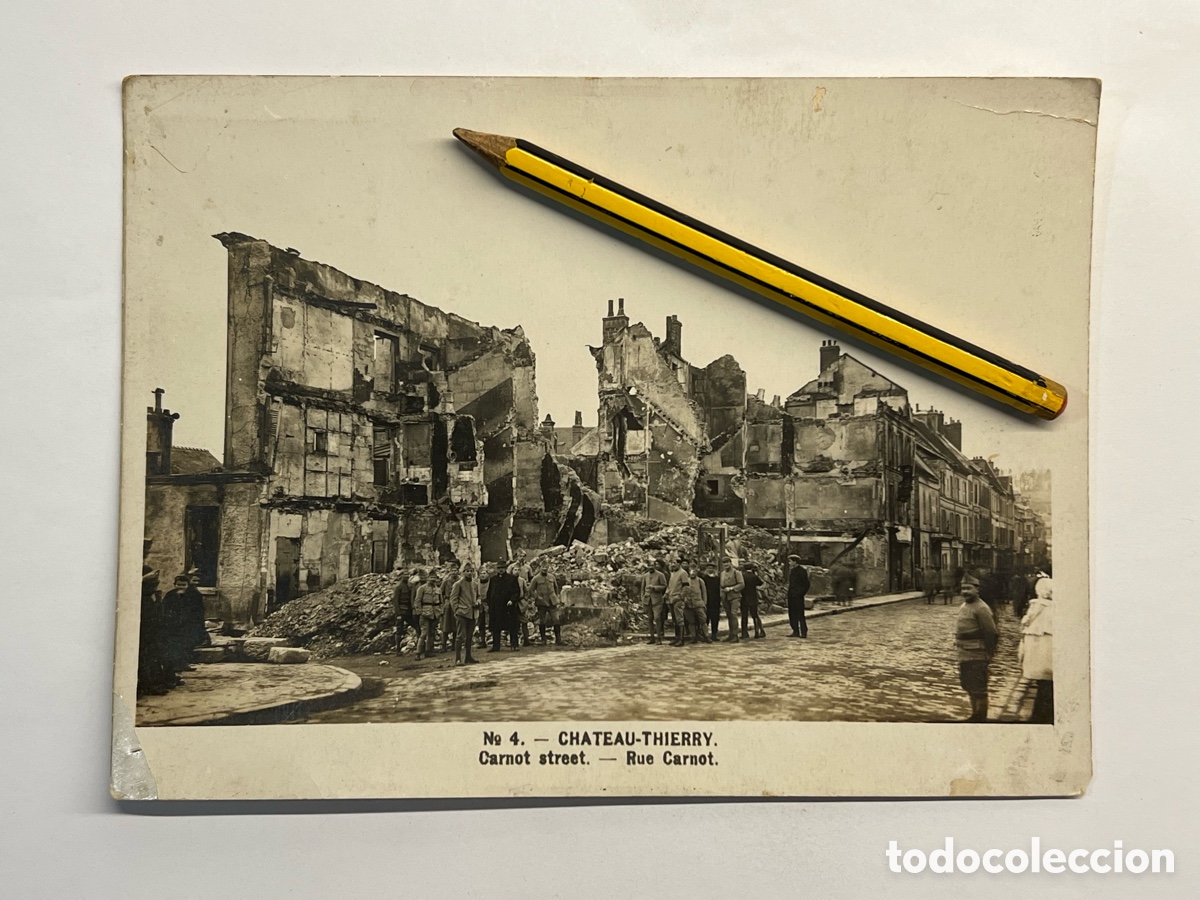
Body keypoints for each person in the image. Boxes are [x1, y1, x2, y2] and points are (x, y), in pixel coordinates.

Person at [955, 573, 999, 722]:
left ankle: (980, 718)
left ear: (977, 589)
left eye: (969, 588)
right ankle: (974, 715)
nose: (965, 591)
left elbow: (991, 632)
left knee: (979, 689)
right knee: (969, 685)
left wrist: (988, 654)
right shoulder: (965, 605)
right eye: (963, 588)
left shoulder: (981, 608)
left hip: (977, 654)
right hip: (964, 653)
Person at [1020, 577, 1054, 724]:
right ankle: (1042, 715)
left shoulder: (1035, 606)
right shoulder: (1051, 608)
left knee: (1043, 685)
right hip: (1047, 653)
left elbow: (1026, 625)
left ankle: (1039, 714)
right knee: (1047, 685)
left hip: (1037, 651)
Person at [137, 565, 176, 696]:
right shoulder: (140, 600)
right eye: (151, 585)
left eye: (155, 585)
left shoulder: (150, 598)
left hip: (153, 633)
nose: (154, 588)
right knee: (146, 660)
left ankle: (154, 684)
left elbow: (158, 615)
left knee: (153, 659)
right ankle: (148, 685)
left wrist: (158, 602)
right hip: (144, 634)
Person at [486, 560, 522, 652]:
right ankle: (496, 646)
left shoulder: (512, 578)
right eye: (499, 568)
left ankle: (514, 645)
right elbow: (490, 593)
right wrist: (489, 604)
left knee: (512, 626)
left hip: (508, 607)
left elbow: (516, 592)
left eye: (502, 568)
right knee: (496, 627)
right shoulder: (493, 579)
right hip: (496, 608)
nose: (501, 570)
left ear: (505, 568)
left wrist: (512, 600)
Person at [448, 562, 480, 666]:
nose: (469, 573)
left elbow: (478, 596)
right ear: (463, 572)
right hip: (462, 613)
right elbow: (453, 599)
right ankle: (458, 659)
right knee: (460, 636)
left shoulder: (475, 584)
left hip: (472, 613)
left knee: (470, 636)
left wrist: (478, 602)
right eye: (467, 571)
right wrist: (457, 611)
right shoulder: (458, 584)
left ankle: (468, 657)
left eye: (471, 571)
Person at [529, 562, 562, 645]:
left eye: (546, 567)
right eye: (543, 567)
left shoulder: (552, 577)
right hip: (542, 603)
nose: (545, 569)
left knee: (556, 620)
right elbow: (531, 590)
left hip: (552, 603)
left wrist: (556, 598)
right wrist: (537, 597)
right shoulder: (536, 578)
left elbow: (556, 588)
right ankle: (543, 640)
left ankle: (558, 639)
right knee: (542, 621)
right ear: (540, 567)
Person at [413, 569, 442, 660]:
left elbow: (441, 601)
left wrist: (441, 611)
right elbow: (417, 601)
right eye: (431, 577)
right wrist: (419, 612)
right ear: (427, 578)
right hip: (425, 612)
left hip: (435, 612)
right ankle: (418, 652)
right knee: (424, 633)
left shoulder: (438, 589)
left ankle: (429, 651)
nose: (432, 579)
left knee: (432, 633)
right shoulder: (422, 588)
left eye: (434, 577)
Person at [681, 562, 712, 645]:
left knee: (703, 620)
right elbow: (682, 591)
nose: (692, 573)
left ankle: (706, 636)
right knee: (691, 621)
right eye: (691, 571)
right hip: (688, 604)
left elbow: (704, 592)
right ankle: (693, 636)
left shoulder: (700, 581)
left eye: (694, 571)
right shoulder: (685, 580)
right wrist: (684, 599)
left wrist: (704, 602)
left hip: (699, 603)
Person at [391, 566, 419, 653]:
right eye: (404, 575)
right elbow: (395, 601)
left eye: (407, 574)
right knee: (399, 631)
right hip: (401, 611)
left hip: (408, 611)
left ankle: (419, 646)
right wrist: (398, 614)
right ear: (401, 576)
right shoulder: (398, 587)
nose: (406, 576)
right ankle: (398, 649)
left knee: (417, 627)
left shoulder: (410, 586)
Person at [642, 559, 669, 644]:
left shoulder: (660, 575)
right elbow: (642, 588)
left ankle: (659, 637)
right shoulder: (645, 576)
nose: (650, 567)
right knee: (649, 618)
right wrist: (642, 597)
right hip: (647, 600)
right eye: (649, 566)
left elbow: (664, 586)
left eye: (652, 565)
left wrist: (655, 587)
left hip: (657, 600)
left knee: (657, 618)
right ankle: (652, 637)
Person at [718, 557, 744, 643]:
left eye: (727, 562)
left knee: (733, 615)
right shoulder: (722, 573)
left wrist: (731, 588)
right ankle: (731, 634)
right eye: (724, 563)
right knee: (729, 615)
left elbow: (741, 584)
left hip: (734, 596)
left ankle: (735, 635)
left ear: (730, 563)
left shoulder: (737, 572)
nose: (726, 564)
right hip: (725, 597)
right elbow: (721, 585)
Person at [666, 557, 689, 645]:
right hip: (671, 598)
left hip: (678, 599)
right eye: (672, 563)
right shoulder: (672, 573)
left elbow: (686, 587)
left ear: (679, 564)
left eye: (674, 563)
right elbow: (670, 586)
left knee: (679, 619)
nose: (673, 564)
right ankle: (676, 637)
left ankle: (681, 639)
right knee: (674, 619)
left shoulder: (683, 573)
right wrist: (666, 593)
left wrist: (680, 597)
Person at [786, 555, 810, 638]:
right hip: (791, 596)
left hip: (798, 597)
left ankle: (803, 631)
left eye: (790, 561)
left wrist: (800, 593)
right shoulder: (792, 571)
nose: (789, 563)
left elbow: (806, 584)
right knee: (792, 614)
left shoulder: (801, 571)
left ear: (795, 562)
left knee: (800, 614)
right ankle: (795, 631)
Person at [740, 563, 765, 639]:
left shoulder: (742, 576)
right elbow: (761, 583)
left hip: (744, 598)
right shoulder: (754, 576)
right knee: (755, 615)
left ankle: (744, 633)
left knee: (744, 616)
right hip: (753, 598)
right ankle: (757, 632)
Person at [701, 562, 722, 640]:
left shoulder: (717, 579)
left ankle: (714, 634)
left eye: (712, 568)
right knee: (705, 618)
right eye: (709, 568)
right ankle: (705, 635)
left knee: (715, 618)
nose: (710, 569)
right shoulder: (704, 578)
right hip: (706, 601)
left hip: (716, 601)